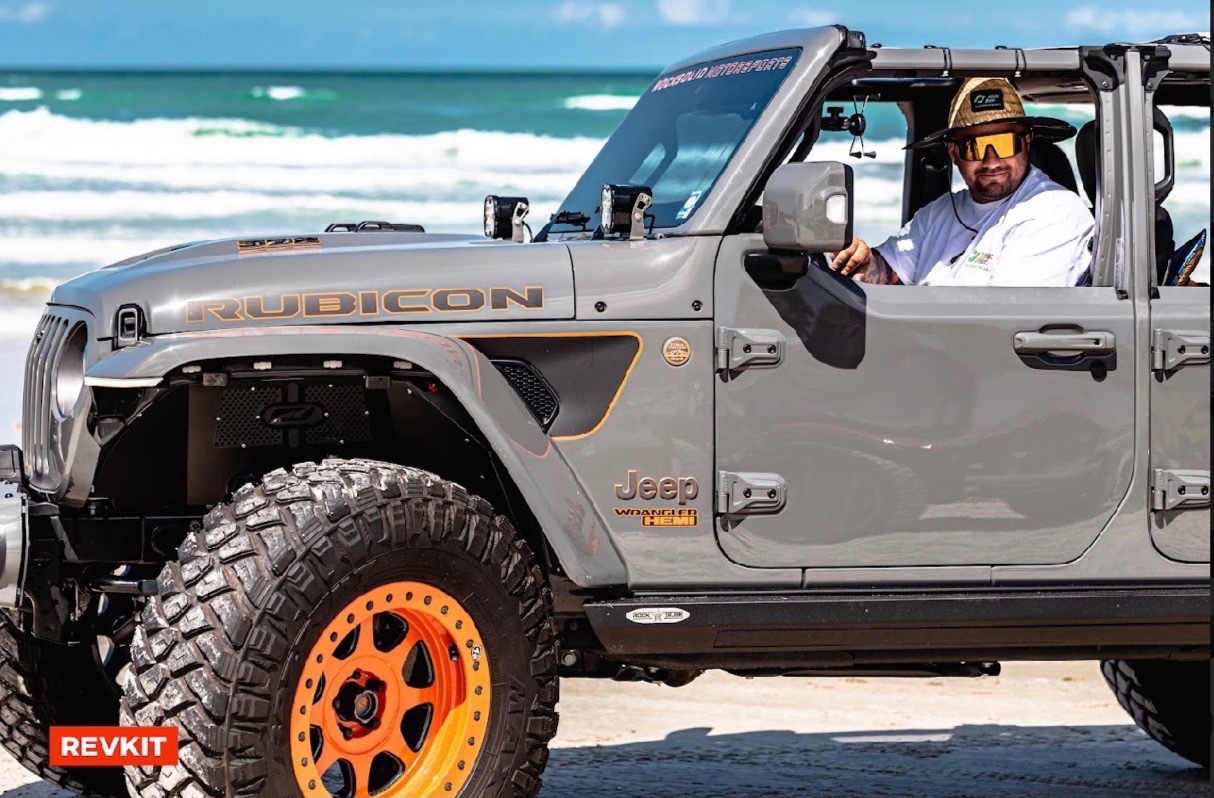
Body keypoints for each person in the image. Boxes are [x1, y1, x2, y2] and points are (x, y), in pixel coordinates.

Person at [831, 77, 1095, 286]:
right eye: (974, 147)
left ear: (1026, 143)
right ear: (953, 152)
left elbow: (1002, 320)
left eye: (1004, 143)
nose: (992, 161)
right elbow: (890, 274)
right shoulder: (937, 214)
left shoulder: (1055, 212)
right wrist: (866, 263)